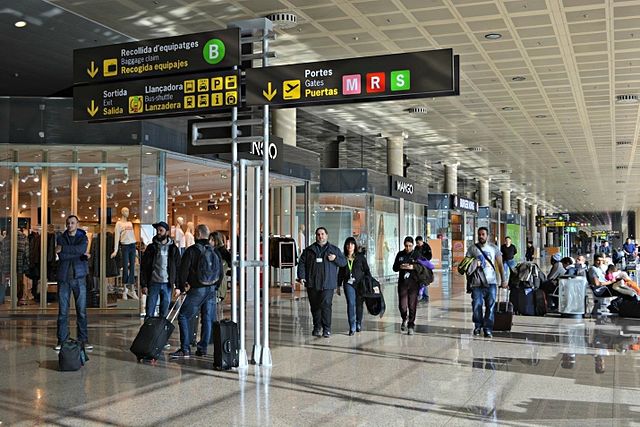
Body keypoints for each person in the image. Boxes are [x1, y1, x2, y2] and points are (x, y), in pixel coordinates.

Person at [171, 224, 221, 358]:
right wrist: (215, 287)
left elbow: (183, 271)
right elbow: (220, 272)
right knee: (207, 319)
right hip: (211, 289)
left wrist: (181, 287)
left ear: (198, 234)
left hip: (197, 289)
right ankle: (202, 348)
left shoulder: (192, 250)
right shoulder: (214, 250)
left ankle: (185, 348)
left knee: (183, 316)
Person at [297, 227, 346, 338]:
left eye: (322, 234)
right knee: (315, 306)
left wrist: (335, 259)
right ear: (316, 236)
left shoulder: (334, 250)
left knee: (326, 305)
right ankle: (317, 327)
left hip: (328, 284)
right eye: (318, 234)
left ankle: (327, 329)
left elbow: (343, 262)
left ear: (326, 235)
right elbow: (302, 263)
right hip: (312, 283)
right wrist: (301, 276)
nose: (320, 236)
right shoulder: (309, 250)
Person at [55, 215, 92, 351]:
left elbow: (81, 250)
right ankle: (62, 340)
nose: (70, 225)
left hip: (79, 277)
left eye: (72, 223)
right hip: (64, 278)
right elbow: (62, 256)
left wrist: (64, 249)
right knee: (63, 312)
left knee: (81, 311)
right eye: (68, 223)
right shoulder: (60, 237)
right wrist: (78, 254)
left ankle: (83, 340)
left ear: (77, 224)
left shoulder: (82, 237)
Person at [465, 227, 506, 338]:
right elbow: (465, 264)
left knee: (490, 306)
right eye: (479, 234)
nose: (481, 236)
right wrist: (474, 263)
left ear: (487, 236)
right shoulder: (472, 248)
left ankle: (488, 328)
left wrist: (503, 280)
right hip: (477, 283)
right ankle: (478, 326)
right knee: (476, 305)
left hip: (491, 282)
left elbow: (500, 265)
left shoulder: (494, 248)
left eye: (483, 234)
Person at [140, 221, 181, 320]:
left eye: (161, 230)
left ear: (167, 232)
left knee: (164, 313)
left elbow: (178, 267)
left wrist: (178, 286)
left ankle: (161, 332)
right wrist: (144, 284)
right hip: (153, 282)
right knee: (149, 311)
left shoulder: (173, 249)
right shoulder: (151, 248)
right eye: (157, 230)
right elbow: (144, 267)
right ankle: (148, 332)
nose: (158, 232)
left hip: (167, 284)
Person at [337, 237, 371, 335]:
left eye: (352, 244)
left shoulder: (360, 257)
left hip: (360, 284)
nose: (350, 246)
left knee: (359, 304)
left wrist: (370, 283)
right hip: (348, 284)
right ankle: (352, 326)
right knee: (351, 303)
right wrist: (338, 285)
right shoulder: (343, 258)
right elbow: (340, 273)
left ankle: (358, 322)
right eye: (348, 244)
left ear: (355, 246)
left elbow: (367, 270)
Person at [392, 236, 421, 335]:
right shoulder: (400, 254)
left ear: (412, 245)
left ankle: (411, 324)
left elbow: (422, 268)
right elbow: (394, 268)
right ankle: (404, 318)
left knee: (412, 305)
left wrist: (413, 267)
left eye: (410, 246)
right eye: (406, 246)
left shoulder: (416, 254)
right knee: (402, 306)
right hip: (402, 284)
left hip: (414, 284)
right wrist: (400, 266)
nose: (408, 248)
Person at [111, 207, 138, 300]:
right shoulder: (118, 224)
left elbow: (132, 235)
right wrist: (115, 250)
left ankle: (132, 289)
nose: (127, 212)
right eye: (126, 211)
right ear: (122, 212)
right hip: (125, 246)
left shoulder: (130, 223)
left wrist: (136, 251)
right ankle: (125, 290)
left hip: (132, 245)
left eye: (128, 211)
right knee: (125, 268)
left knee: (132, 268)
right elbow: (116, 237)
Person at [415, 236, 432, 302]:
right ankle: (419, 295)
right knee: (419, 280)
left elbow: (430, 256)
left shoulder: (427, 247)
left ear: (421, 241)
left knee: (424, 280)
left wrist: (423, 259)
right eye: (417, 243)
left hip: (425, 266)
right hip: (418, 266)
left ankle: (425, 296)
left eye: (418, 243)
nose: (418, 244)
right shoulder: (416, 248)